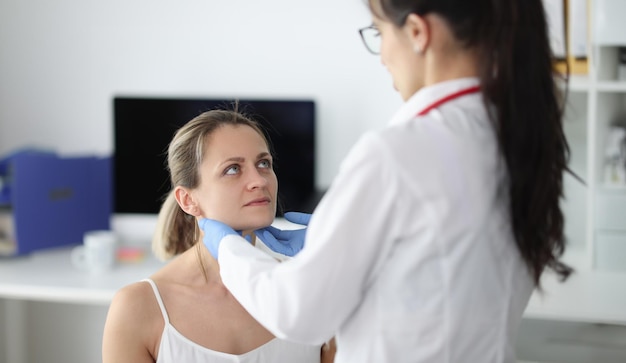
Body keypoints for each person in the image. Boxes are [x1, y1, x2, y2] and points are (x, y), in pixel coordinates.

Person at [198, 0, 575, 362]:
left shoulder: (397, 154)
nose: (381, 57)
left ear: (416, 32)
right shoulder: (517, 144)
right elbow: (447, 283)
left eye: (378, 33)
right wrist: (349, 247)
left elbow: (297, 313)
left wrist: (230, 250)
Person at [101, 109, 335, 362]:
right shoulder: (138, 308)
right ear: (188, 200)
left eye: (263, 163)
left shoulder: (308, 289)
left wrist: (344, 263)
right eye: (233, 169)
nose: (259, 180)